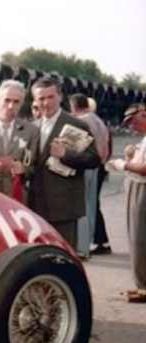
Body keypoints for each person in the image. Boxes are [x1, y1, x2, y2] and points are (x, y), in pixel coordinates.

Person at [28, 77, 100, 247]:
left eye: (50, 97)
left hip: (64, 207)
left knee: (64, 257)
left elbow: (94, 159)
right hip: (35, 205)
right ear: (35, 100)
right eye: (41, 98)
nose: (46, 102)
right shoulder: (32, 126)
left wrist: (65, 154)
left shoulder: (77, 124)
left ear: (60, 97)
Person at [69, 93, 111, 258]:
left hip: (85, 165)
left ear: (73, 105)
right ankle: (91, 243)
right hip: (97, 166)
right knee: (91, 205)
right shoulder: (98, 121)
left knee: (81, 206)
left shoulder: (81, 122)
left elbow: (74, 146)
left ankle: (82, 246)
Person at [115, 104, 146, 302]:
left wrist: (123, 164)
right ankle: (142, 284)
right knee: (137, 237)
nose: (132, 127)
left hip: (143, 188)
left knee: (140, 237)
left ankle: (144, 287)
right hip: (138, 185)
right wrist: (131, 155)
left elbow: (144, 168)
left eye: (135, 122)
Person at [88, 96, 113, 255]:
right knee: (95, 204)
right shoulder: (101, 123)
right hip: (101, 166)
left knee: (92, 205)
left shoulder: (88, 123)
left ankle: (100, 240)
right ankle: (101, 241)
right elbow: (109, 146)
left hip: (93, 167)